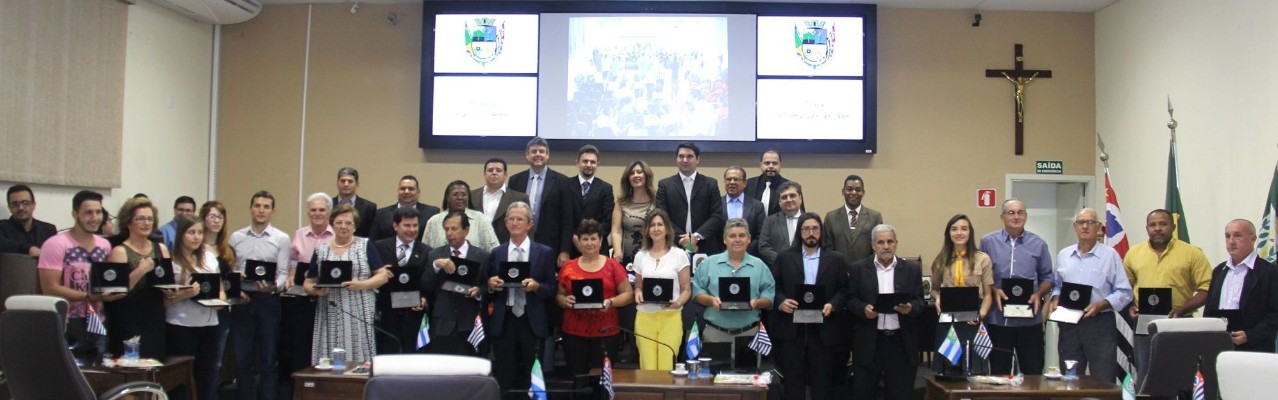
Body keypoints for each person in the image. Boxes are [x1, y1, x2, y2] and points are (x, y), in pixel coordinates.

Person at [1048, 208, 1132, 383]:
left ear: (1099, 227)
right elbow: (1057, 286)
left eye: (1090, 222)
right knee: (1070, 377)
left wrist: (1101, 305)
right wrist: (1055, 298)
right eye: (1081, 222)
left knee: (1102, 378)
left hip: (1099, 324)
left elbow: (1124, 292)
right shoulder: (1064, 255)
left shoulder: (1110, 256)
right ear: (1075, 226)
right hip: (1069, 325)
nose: (1085, 226)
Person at [771, 213, 849, 400]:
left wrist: (833, 304)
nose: (811, 233)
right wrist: (781, 302)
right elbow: (775, 286)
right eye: (806, 229)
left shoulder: (836, 259)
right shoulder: (785, 257)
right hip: (793, 329)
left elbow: (844, 289)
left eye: (815, 229)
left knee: (822, 383)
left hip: (824, 329)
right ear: (800, 232)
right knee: (793, 384)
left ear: (821, 232)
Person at [485, 202, 557, 400]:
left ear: (529, 224)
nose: (515, 223)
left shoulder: (544, 252)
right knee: (505, 376)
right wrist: (491, 285)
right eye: (511, 219)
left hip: (531, 321)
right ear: (506, 223)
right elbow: (488, 290)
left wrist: (537, 287)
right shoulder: (497, 253)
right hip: (504, 320)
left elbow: (551, 288)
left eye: (520, 219)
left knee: (532, 377)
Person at [38, 190, 123, 355]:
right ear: (75, 214)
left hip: (98, 320)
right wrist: (88, 297)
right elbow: (49, 288)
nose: (95, 218)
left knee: (98, 374)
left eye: (98, 212)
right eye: (88, 213)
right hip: (66, 321)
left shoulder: (105, 245)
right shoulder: (56, 244)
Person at [305, 204, 391, 364]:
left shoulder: (365, 245)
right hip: (329, 309)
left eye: (348, 223)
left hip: (359, 310)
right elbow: (308, 282)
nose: (343, 227)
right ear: (332, 224)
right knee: (329, 356)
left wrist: (361, 284)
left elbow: (383, 275)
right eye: (339, 223)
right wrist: (316, 291)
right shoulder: (321, 249)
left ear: (355, 226)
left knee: (358, 354)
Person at [847, 224, 924, 400]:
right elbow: (850, 299)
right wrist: (862, 310)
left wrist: (911, 308)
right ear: (873, 245)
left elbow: (920, 300)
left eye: (890, 241)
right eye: (881, 242)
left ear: (896, 243)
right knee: (864, 393)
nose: (886, 246)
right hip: (869, 342)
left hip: (900, 343)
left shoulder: (911, 270)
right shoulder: (858, 268)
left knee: (900, 394)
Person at [978, 199, 1054, 375]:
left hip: (1029, 322)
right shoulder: (987, 242)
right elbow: (980, 277)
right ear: (1002, 216)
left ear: (1026, 216)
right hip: (998, 321)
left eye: (1020, 212)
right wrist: (994, 290)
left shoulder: (1039, 244)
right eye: (1011, 212)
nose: (1016, 216)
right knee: (999, 374)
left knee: (1033, 373)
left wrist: (1039, 293)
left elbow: (1048, 277)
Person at [228, 191, 291, 400]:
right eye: (257, 206)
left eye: (266, 206)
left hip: (268, 301)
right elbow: (229, 270)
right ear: (250, 208)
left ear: (273, 211)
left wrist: (274, 287)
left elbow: (283, 273)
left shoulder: (281, 238)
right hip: (242, 300)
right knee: (242, 358)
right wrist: (236, 281)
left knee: (269, 358)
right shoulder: (236, 237)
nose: (261, 210)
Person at [691, 218, 775, 370]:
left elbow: (769, 297)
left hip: (748, 334)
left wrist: (757, 302)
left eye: (742, 235)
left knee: (748, 384)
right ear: (724, 239)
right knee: (714, 384)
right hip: (716, 334)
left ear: (749, 239)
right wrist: (711, 300)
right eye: (732, 236)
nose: (737, 240)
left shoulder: (760, 266)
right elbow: (697, 293)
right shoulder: (708, 264)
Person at [556, 219, 633, 376]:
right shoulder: (568, 267)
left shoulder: (613, 266)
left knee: (603, 381)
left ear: (601, 240)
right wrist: (565, 301)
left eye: (593, 238)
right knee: (577, 380)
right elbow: (559, 296)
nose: (589, 243)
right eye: (585, 239)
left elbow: (629, 294)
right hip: (574, 333)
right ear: (578, 241)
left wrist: (611, 302)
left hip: (606, 332)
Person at [163, 215, 224, 400]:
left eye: (199, 232)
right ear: (181, 234)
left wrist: (220, 301)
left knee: (206, 376)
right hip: (181, 325)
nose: (196, 237)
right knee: (182, 378)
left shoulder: (209, 258)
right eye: (191, 232)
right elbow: (163, 301)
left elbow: (221, 290)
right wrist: (185, 294)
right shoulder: (171, 261)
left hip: (209, 324)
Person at [104, 197, 172, 360]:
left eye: (149, 219)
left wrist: (170, 290)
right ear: (128, 222)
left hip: (155, 315)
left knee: (155, 363)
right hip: (129, 316)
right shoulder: (120, 251)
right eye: (140, 218)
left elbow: (167, 280)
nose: (146, 223)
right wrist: (140, 270)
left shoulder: (161, 248)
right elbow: (117, 292)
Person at [928, 214, 993, 374]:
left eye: (964, 229)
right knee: (948, 367)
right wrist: (937, 298)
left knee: (973, 367)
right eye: (954, 229)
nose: (959, 233)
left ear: (970, 233)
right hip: (948, 318)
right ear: (948, 233)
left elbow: (988, 295)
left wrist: (980, 315)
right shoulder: (940, 260)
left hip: (972, 317)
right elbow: (934, 289)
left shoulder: (982, 259)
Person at [281, 193, 332, 393]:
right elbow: (294, 261)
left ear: (329, 212)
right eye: (313, 210)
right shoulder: (300, 234)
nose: (317, 214)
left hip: (327, 297)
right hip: (302, 298)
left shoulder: (336, 234)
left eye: (321, 210)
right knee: (301, 344)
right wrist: (291, 276)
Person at [1203, 219, 1278, 353]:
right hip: (1220, 345)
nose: (1231, 241)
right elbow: (1209, 308)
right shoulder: (1219, 271)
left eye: (1237, 235)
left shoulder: (1269, 272)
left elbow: (1275, 313)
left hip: (1255, 348)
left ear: (1253, 238)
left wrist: (1250, 335)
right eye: (1227, 236)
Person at [423, 211, 490, 355]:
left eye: (454, 229)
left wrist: (478, 291)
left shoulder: (482, 256)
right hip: (442, 323)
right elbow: (426, 286)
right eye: (446, 229)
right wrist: (435, 266)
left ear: (466, 230)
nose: (449, 233)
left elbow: (487, 286)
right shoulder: (435, 255)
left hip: (470, 323)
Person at [1124, 209, 1213, 318]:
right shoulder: (1133, 253)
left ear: (1173, 227)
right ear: (1147, 229)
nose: (1157, 229)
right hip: (1144, 319)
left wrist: (1183, 310)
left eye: (1163, 224)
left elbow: (1207, 289)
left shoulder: (1193, 253)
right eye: (1152, 225)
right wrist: (1131, 306)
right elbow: (1125, 287)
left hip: (1181, 319)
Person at [632, 209, 691, 371]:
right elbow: (638, 287)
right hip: (645, 317)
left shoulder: (679, 255)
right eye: (652, 225)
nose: (656, 229)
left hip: (670, 317)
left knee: (667, 366)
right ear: (647, 230)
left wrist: (678, 302)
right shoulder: (640, 256)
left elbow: (686, 289)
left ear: (667, 229)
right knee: (647, 367)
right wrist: (637, 294)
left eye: (660, 224)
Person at [372, 207, 431, 354]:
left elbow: (429, 284)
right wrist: (379, 273)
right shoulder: (378, 247)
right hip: (386, 317)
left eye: (415, 225)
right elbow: (368, 277)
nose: (412, 229)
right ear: (395, 226)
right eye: (407, 225)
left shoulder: (427, 251)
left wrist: (425, 299)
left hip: (413, 319)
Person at [655, 142, 725, 255]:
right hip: (674, 246)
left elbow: (717, 216)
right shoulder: (665, 185)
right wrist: (684, 239)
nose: (685, 160)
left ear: (697, 159)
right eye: (681, 156)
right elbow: (662, 216)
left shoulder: (710, 184)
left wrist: (696, 237)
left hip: (705, 245)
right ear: (676, 159)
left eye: (689, 156)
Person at [508, 137, 569, 258]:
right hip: (520, 240)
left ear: (547, 155)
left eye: (541, 151)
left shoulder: (562, 181)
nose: (538, 155)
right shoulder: (515, 180)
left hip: (551, 243)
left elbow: (567, 219)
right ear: (527, 155)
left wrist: (565, 250)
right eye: (534, 151)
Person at [199, 200, 235, 392]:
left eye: (220, 217)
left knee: (217, 363)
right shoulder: (197, 247)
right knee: (204, 362)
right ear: (203, 219)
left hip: (224, 310)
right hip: (201, 310)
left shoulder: (226, 249)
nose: (216, 221)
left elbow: (228, 281)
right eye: (211, 216)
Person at [560, 145, 615, 263]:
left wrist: (591, 239)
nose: (589, 165)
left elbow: (607, 221)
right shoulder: (565, 185)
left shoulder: (605, 188)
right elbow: (564, 219)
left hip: (597, 249)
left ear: (597, 164)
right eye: (585, 161)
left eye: (592, 162)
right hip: (571, 248)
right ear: (577, 163)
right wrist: (574, 239)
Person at [822, 175, 883, 265]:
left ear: (863, 192)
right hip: (839, 272)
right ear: (843, 192)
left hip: (865, 272)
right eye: (849, 189)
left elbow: (878, 247)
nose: (854, 193)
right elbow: (827, 249)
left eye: (858, 190)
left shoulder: (875, 217)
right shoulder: (831, 217)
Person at [423, 180, 500, 251]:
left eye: (464, 194)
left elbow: (494, 249)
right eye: (455, 194)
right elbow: (425, 251)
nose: (460, 198)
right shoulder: (434, 221)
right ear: (447, 198)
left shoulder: (480, 219)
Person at [470, 158, 529, 244]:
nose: (494, 173)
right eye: (490, 170)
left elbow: (527, 226)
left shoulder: (519, 198)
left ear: (505, 175)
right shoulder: (471, 196)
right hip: (476, 247)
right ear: (484, 174)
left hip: (507, 246)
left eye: (498, 170)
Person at [608, 160, 656, 265]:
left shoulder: (656, 201)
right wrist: (617, 251)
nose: (635, 175)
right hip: (626, 257)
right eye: (631, 173)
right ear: (627, 178)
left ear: (646, 175)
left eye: (639, 172)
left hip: (652, 257)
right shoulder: (621, 203)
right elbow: (616, 231)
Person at [370, 175, 441, 242]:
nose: (406, 192)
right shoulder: (381, 214)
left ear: (418, 192)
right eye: (403, 189)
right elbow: (374, 241)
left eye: (411, 189)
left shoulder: (432, 212)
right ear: (398, 191)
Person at [0, 184, 57, 256]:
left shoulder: (48, 229)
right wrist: (29, 249)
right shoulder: (2, 227)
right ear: (9, 207)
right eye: (15, 204)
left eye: (25, 203)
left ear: (34, 205)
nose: (20, 207)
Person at [758, 181, 805, 268]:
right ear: (779, 201)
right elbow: (763, 246)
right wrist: (782, 261)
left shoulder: (809, 220)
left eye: (792, 196)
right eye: (784, 197)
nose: (788, 200)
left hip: (804, 269)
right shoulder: (770, 221)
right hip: (778, 270)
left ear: (800, 198)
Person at [721, 166, 765, 256]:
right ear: (725, 182)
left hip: (749, 255)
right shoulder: (716, 204)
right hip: (721, 255)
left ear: (744, 183)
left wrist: (743, 249)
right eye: (729, 179)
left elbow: (761, 235)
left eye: (736, 179)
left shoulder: (757, 206)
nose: (732, 182)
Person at [332, 167, 378, 237]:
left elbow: (371, 235)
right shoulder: (328, 205)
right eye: (342, 181)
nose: (346, 184)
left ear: (357, 184)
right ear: (337, 183)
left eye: (350, 181)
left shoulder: (369, 207)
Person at [744, 150, 792, 216]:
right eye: (767, 163)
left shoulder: (790, 187)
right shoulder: (748, 184)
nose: (771, 166)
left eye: (774, 163)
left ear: (780, 165)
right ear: (760, 165)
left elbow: (799, 215)